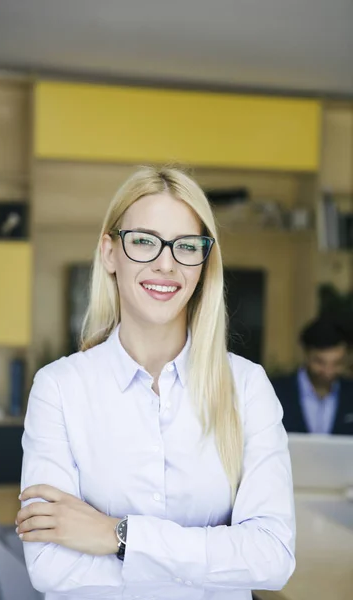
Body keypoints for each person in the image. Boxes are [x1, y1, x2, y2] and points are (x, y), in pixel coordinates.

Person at [17, 166, 295, 600]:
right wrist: (210, 562)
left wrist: (118, 536)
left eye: (186, 246)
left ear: (204, 263)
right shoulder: (59, 388)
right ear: (110, 253)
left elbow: (272, 557)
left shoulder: (248, 387)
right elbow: (50, 566)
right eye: (144, 241)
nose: (166, 263)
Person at [272, 318, 353, 435]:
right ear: (306, 355)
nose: (328, 371)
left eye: (337, 363)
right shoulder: (276, 391)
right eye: (320, 362)